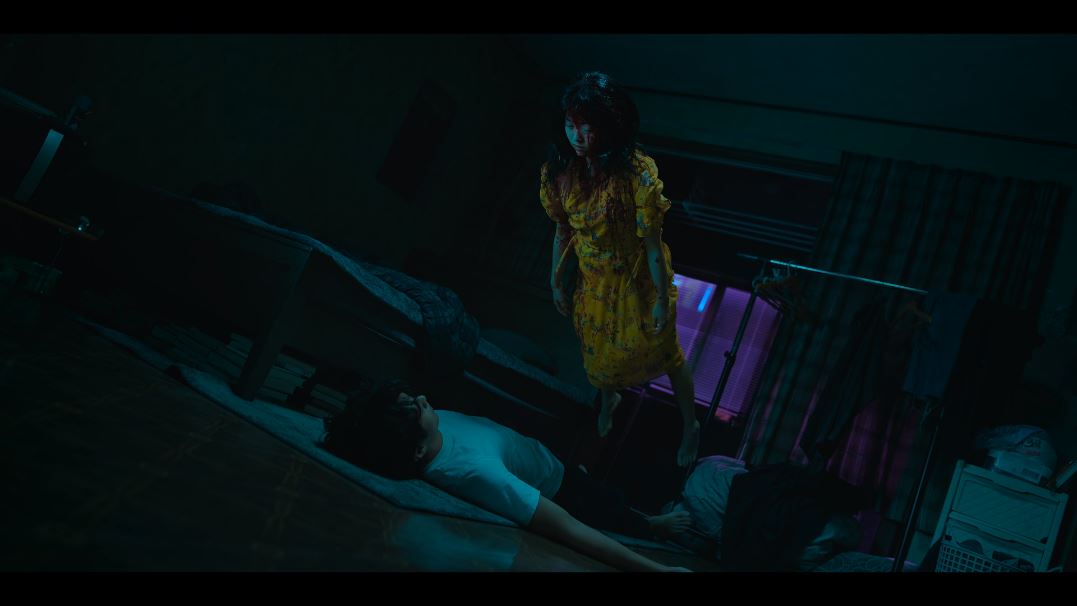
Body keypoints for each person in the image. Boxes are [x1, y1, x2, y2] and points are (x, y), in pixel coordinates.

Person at [320, 379, 693, 572]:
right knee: (610, 505)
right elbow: (566, 528)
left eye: (412, 399)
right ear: (417, 451)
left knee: (595, 490)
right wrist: (656, 570)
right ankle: (650, 525)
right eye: (416, 408)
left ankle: (612, 501)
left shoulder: (425, 434)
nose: (421, 399)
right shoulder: (476, 473)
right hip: (555, 484)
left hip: (541, 458)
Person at [539, 71, 699, 466]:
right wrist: (556, 279)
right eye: (571, 125)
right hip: (593, 281)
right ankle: (609, 398)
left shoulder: (635, 173)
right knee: (598, 356)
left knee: (667, 352)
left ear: (608, 127)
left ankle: (691, 424)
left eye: (587, 128)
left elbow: (652, 244)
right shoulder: (562, 172)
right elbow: (562, 229)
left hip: (634, 276)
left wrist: (659, 298)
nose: (578, 137)